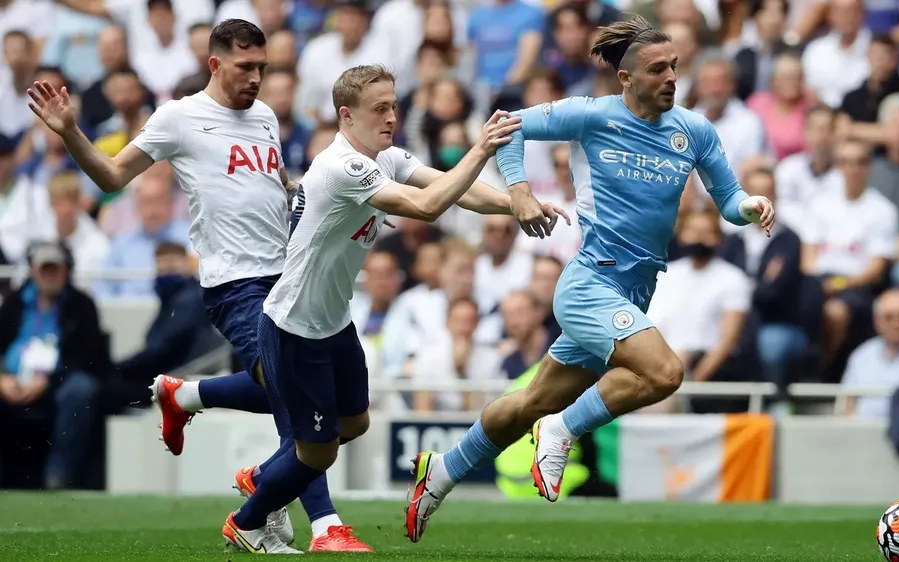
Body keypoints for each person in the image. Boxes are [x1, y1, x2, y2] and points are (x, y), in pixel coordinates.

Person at [403, 16, 774, 543]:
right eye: (657, 69)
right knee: (664, 372)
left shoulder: (694, 130)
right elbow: (505, 123)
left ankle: (439, 474)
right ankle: (561, 431)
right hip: (589, 284)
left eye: (674, 66)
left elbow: (728, 199)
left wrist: (750, 205)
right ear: (626, 78)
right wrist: (519, 192)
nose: (671, 77)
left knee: (530, 402)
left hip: (635, 290)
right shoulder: (592, 116)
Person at [25, 19, 358, 553]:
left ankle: (190, 398)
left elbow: (266, 187)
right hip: (236, 285)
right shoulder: (180, 118)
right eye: (245, 67)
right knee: (295, 390)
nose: (255, 78)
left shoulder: (266, 117)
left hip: (288, 276)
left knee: (316, 399)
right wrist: (69, 131)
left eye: (262, 68)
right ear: (215, 63)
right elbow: (112, 177)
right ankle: (324, 524)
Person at [220, 64, 560, 553]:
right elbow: (426, 206)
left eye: (394, 106)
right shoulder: (343, 166)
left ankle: (263, 476)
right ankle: (248, 520)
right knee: (318, 452)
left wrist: (517, 204)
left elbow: (454, 187)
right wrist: (482, 147)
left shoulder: (386, 157)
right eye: (379, 109)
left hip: (335, 323)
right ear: (346, 115)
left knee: (355, 423)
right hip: (294, 327)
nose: (391, 117)